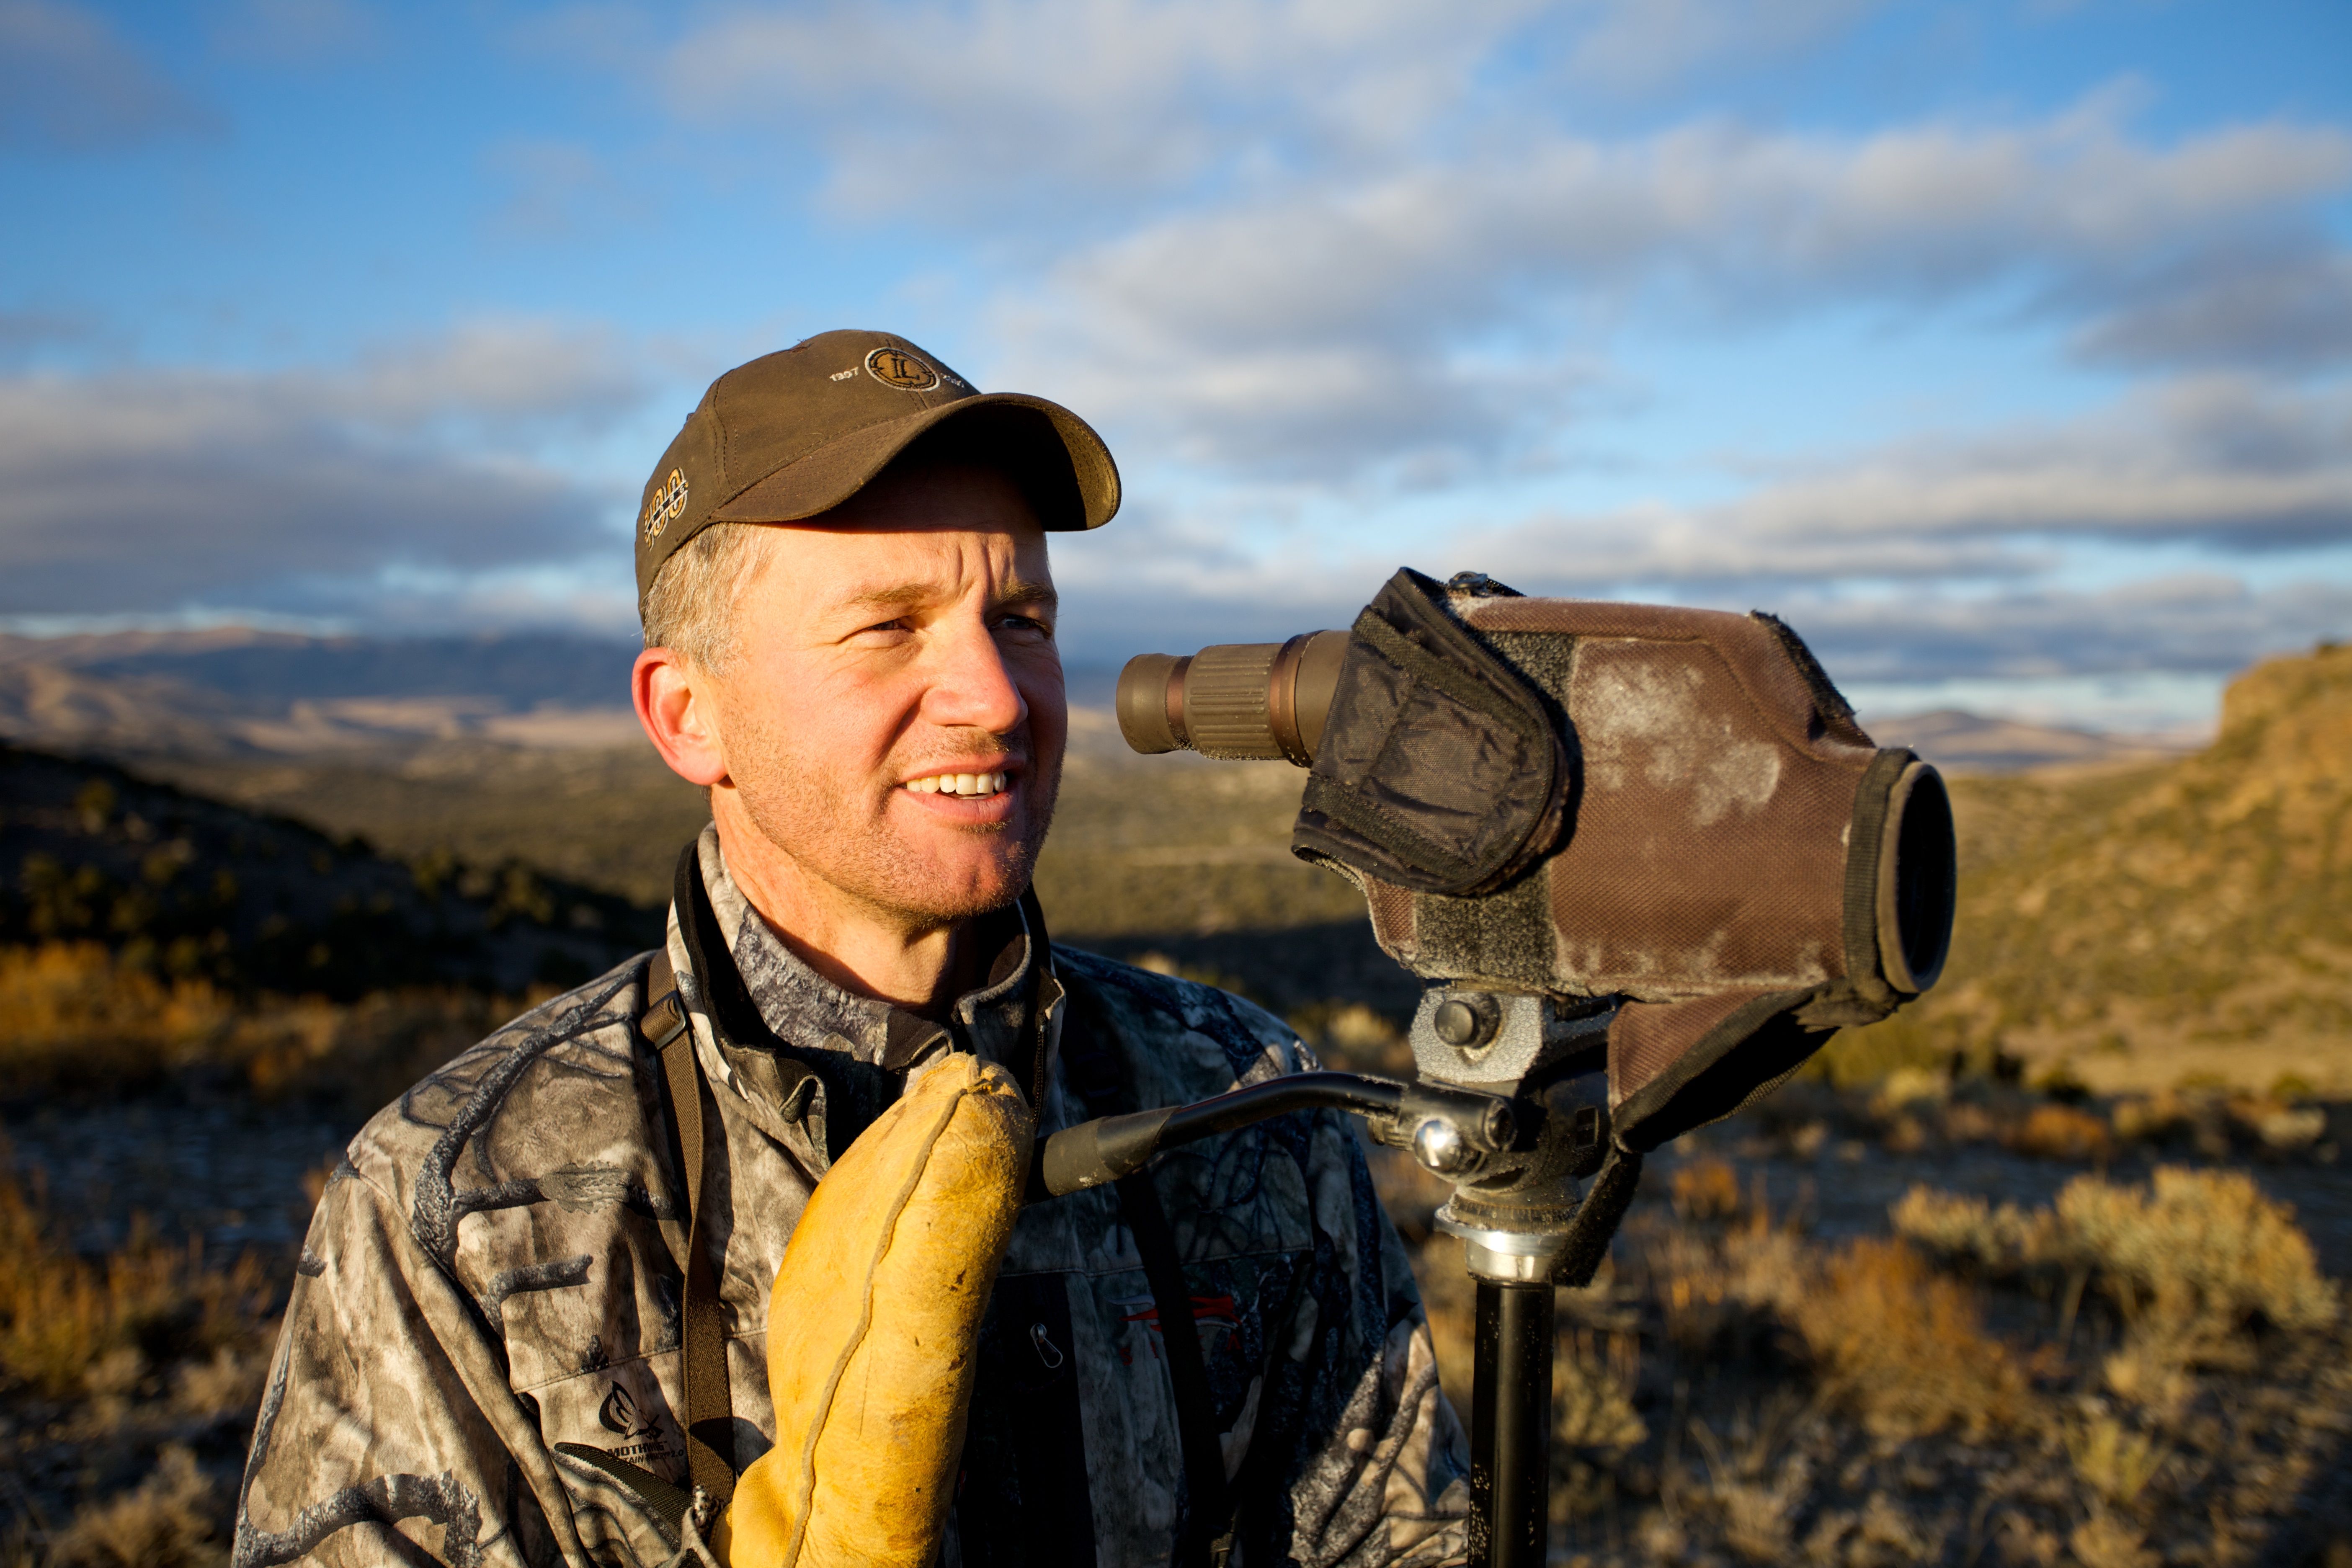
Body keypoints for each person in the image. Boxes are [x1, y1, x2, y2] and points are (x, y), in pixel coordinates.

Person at [233, 330, 1471, 1568]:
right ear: (689, 714)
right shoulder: (453, 1211)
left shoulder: (1244, 1102)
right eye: (890, 627)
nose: (994, 696)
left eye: (1021, 617)